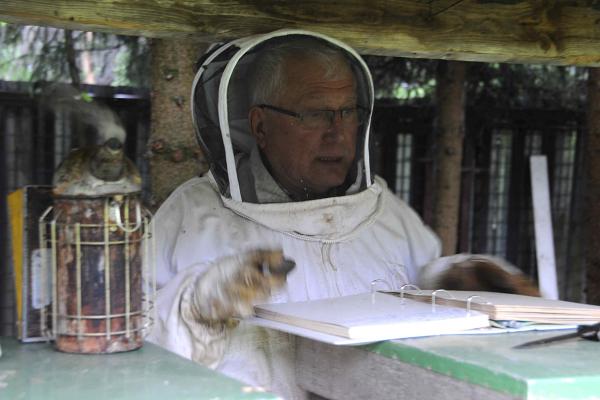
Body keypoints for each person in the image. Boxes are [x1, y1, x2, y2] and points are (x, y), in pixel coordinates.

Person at [148, 30, 538, 399]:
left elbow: (414, 277)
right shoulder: (192, 217)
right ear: (260, 125)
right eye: (315, 114)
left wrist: (454, 279)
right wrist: (202, 303)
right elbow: (138, 343)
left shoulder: (383, 210)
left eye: (347, 112)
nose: (337, 132)